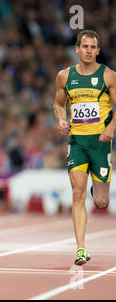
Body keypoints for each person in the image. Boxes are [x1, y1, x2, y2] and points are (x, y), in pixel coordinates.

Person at [53, 30, 116, 265]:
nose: (89, 50)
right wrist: (61, 119)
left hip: (100, 144)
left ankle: (96, 191)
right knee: (77, 194)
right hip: (77, 142)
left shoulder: (108, 76)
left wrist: (111, 127)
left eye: (93, 47)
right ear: (77, 49)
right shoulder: (64, 76)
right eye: (85, 46)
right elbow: (58, 104)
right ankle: (81, 249)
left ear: (98, 50)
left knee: (101, 203)